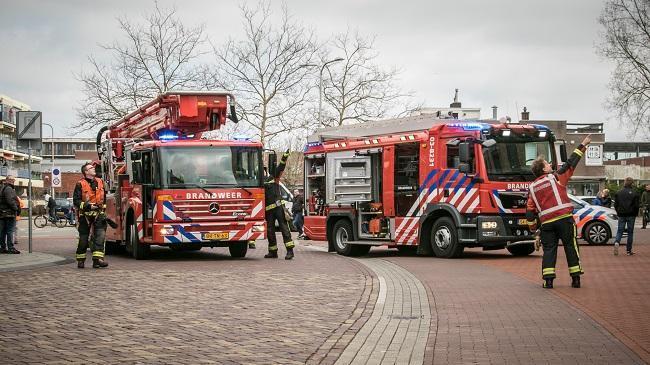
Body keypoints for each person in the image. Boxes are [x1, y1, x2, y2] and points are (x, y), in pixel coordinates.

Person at [526, 135, 591, 289]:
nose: (550, 165)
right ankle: (575, 279)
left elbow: (529, 211)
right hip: (564, 220)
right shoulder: (555, 178)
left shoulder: (532, 188)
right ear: (543, 169)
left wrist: (534, 228)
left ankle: (548, 281)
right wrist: (582, 144)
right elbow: (571, 163)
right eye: (547, 164)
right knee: (571, 246)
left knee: (549, 250)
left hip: (547, 225)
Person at [73, 162, 109, 268]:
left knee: (100, 238)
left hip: (99, 214)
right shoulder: (80, 184)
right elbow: (76, 201)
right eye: (91, 168)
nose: (94, 168)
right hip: (85, 216)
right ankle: (81, 260)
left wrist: (102, 209)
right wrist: (88, 206)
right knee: (84, 239)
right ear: (86, 172)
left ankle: (97, 260)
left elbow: (104, 198)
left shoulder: (100, 182)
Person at [264, 151, 295, 260]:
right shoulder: (259, 182)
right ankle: (273, 251)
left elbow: (281, 167)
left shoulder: (273, 177)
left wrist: (284, 157)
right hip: (268, 211)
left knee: (284, 228)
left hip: (278, 208)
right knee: (270, 231)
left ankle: (290, 251)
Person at [613, 177, 640, 256]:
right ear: (632, 183)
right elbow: (636, 205)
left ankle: (617, 242)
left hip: (621, 214)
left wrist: (618, 212)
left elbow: (615, 204)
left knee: (620, 230)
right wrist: (635, 213)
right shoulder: (635, 193)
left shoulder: (618, 192)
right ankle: (628, 250)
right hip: (631, 214)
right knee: (630, 232)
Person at [0, 176, 20, 254]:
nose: (13, 181)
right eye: (12, 180)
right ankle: (10, 248)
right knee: (9, 231)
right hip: (9, 213)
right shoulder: (8, 189)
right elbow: (10, 200)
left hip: (2, 213)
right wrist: (16, 208)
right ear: (8, 180)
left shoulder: (2, 188)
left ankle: (2, 247)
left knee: (3, 231)